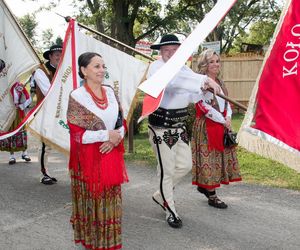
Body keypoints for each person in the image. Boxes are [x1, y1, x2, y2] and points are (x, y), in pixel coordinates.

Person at [146, 34, 222, 228]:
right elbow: (173, 83)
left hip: (179, 126)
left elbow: (191, 94)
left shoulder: (184, 70)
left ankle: (160, 194)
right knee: (167, 170)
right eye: (166, 50)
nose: (170, 54)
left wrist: (204, 89)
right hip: (160, 127)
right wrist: (202, 79)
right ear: (160, 52)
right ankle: (170, 209)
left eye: (174, 50)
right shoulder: (157, 68)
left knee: (185, 165)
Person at [67, 52, 128, 250]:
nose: (102, 70)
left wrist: (114, 138)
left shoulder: (110, 91)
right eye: (96, 66)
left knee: (111, 202)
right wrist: (106, 135)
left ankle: (110, 244)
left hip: (110, 154)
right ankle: (92, 243)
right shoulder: (77, 96)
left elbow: (121, 122)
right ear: (84, 71)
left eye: (103, 66)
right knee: (92, 203)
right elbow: (78, 135)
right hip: (88, 159)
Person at [191, 49, 242, 209]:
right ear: (204, 65)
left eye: (217, 61)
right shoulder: (200, 83)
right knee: (209, 161)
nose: (215, 64)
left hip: (221, 125)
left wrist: (228, 117)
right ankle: (212, 196)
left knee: (218, 160)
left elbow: (227, 103)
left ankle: (205, 186)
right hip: (207, 127)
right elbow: (202, 105)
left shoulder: (220, 82)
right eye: (211, 61)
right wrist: (221, 119)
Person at [32, 44, 62, 185]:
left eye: (61, 54)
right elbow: (48, 92)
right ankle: (43, 173)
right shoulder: (41, 71)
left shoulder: (64, 70)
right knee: (45, 145)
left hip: (62, 111)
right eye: (57, 54)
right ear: (50, 56)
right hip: (45, 111)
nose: (59, 57)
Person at [0, 82, 32, 164]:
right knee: (11, 132)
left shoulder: (19, 86)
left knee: (22, 131)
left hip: (19, 113)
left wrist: (21, 105)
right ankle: (12, 156)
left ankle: (24, 153)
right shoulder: (5, 86)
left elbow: (28, 98)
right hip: (9, 113)